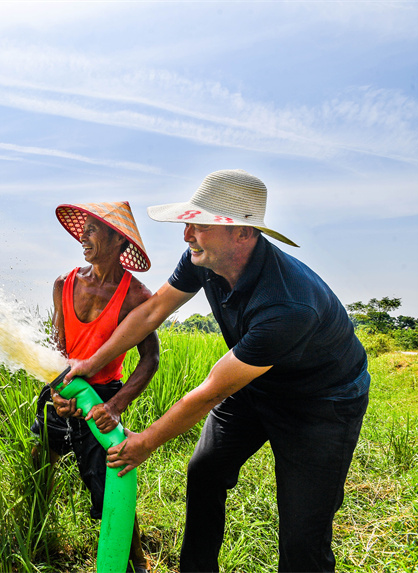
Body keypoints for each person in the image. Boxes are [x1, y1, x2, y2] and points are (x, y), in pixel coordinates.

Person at [65, 170, 370, 572]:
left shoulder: (288, 305)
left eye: (200, 225)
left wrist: (144, 442)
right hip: (257, 387)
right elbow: (154, 310)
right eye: (188, 223)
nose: (187, 234)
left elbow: (211, 390)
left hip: (320, 404)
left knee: (302, 530)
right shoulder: (203, 258)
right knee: (204, 472)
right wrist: (91, 362)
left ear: (242, 233)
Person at [31, 201, 160, 573]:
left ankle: (136, 561)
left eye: (92, 229)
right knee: (42, 456)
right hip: (62, 389)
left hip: (101, 398)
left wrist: (116, 405)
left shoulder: (136, 297)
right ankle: (36, 532)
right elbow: (58, 347)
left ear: (118, 240)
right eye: (82, 228)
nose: (81, 236)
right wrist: (57, 392)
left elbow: (150, 360)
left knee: (111, 478)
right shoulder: (64, 283)